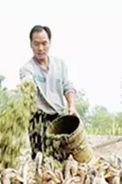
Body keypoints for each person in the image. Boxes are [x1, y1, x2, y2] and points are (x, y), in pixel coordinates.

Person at [20, 25, 77, 158]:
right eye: (36, 44)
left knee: (61, 157)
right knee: (40, 159)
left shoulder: (60, 65)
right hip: (38, 120)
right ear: (31, 44)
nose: (40, 48)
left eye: (44, 43)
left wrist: (72, 106)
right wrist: (27, 86)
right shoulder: (27, 69)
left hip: (58, 118)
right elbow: (27, 83)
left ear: (50, 43)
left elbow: (68, 86)